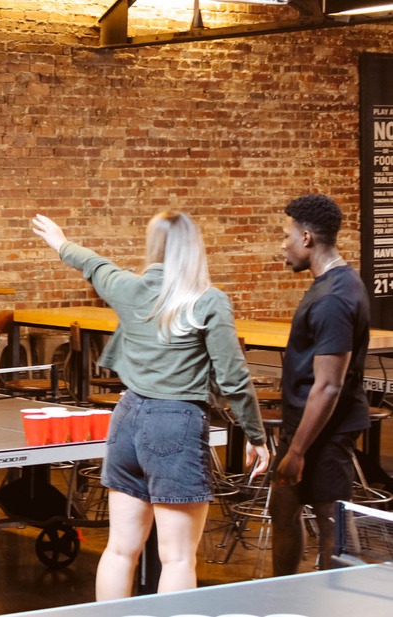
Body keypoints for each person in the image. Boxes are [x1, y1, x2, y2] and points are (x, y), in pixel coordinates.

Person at [32, 211, 269, 599]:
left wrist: (60, 241)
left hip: (127, 418)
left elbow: (93, 263)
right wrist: (256, 436)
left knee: (121, 550)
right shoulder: (208, 301)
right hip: (176, 423)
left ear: (153, 246)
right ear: (195, 249)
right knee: (177, 559)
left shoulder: (129, 288)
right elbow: (233, 376)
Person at [271, 194, 371, 575]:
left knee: (332, 524)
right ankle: (282, 597)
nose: (284, 244)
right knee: (283, 509)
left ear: (308, 238)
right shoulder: (332, 284)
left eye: (287, 236)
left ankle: (331, 605)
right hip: (304, 424)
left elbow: (329, 386)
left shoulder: (334, 297)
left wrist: (297, 451)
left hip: (326, 429)